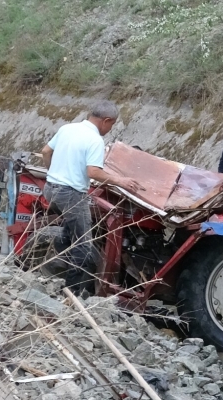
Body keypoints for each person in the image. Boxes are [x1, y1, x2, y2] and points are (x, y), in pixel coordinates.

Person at [41, 101, 143, 296]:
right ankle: (71, 293)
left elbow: (46, 151)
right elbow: (93, 172)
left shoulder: (67, 128)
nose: (110, 129)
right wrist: (121, 181)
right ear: (106, 120)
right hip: (70, 194)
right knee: (84, 246)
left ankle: (59, 260)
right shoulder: (95, 140)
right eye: (112, 125)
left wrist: (54, 172)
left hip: (51, 189)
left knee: (70, 232)